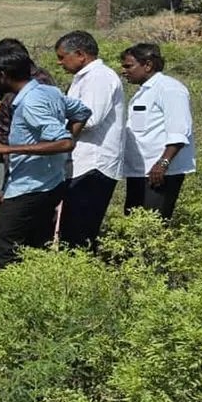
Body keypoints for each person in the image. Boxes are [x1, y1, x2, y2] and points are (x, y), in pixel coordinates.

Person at [0, 45, 89, 269]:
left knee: (5, 248)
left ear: (2, 75)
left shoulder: (31, 103)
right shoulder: (48, 91)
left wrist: (8, 150)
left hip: (27, 187)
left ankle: (12, 299)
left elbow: (65, 143)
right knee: (35, 246)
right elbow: (81, 112)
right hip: (51, 183)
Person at [54, 31, 126, 249]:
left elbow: (90, 118)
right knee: (71, 229)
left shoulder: (99, 77)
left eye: (62, 57)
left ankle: (78, 277)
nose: (60, 63)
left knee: (80, 232)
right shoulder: (84, 77)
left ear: (80, 54)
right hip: (82, 163)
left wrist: (55, 131)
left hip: (94, 164)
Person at [120, 43, 195, 221]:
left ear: (147, 65)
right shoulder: (145, 91)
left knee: (152, 224)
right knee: (134, 221)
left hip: (159, 173)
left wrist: (163, 163)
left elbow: (179, 131)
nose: (124, 71)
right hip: (140, 171)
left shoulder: (169, 88)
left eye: (128, 66)